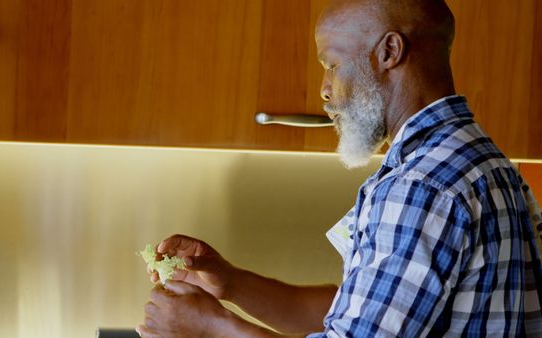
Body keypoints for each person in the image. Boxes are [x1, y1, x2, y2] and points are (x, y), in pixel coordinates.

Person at [136, 0, 542, 336]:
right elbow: (353, 308)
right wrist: (230, 282)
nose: (324, 90)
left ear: (389, 52)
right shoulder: (484, 162)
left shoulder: (422, 185)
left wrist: (209, 327)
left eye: (331, 64)